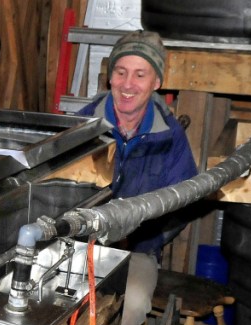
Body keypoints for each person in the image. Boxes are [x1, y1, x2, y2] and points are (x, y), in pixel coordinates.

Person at [78, 30, 198, 259]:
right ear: (110, 78)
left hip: (137, 252)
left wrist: (138, 242)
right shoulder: (81, 128)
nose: (127, 84)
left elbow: (183, 205)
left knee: (136, 296)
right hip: (82, 250)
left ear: (157, 82)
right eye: (121, 72)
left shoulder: (170, 137)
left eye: (140, 75)